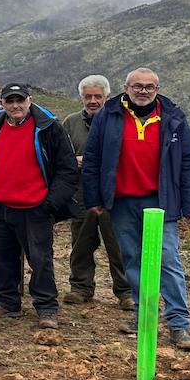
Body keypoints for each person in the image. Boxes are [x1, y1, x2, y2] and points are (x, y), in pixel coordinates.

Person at [82, 67, 190, 350]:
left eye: (149, 86)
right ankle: (143, 314)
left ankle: (179, 324)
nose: (143, 91)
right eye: (137, 86)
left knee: (168, 261)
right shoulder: (108, 116)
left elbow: (189, 162)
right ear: (126, 87)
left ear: (157, 89)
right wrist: (94, 198)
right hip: (122, 201)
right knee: (132, 259)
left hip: (161, 201)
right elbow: (93, 157)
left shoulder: (173, 117)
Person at [0, 83, 79, 329]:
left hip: (35, 208)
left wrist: (50, 204)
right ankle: (7, 301)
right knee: (1, 257)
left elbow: (67, 169)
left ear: (29, 100)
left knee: (40, 260)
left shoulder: (49, 128)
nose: (15, 105)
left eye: (20, 100)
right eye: (10, 101)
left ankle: (46, 307)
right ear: (2, 103)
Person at [61, 75, 132, 309]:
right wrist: (74, 161)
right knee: (81, 244)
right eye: (88, 96)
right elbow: (59, 157)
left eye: (97, 96)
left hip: (115, 196)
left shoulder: (122, 120)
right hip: (81, 195)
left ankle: (126, 292)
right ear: (81, 97)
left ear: (107, 97)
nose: (93, 101)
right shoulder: (70, 123)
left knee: (119, 245)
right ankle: (81, 288)